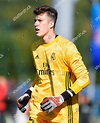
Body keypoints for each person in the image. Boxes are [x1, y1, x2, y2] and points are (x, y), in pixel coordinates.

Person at [16, 5, 90, 123]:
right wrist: (28, 93)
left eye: (40, 21)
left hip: (62, 115)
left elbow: (84, 78)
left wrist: (60, 98)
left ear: (51, 24)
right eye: (35, 21)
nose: (36, 24)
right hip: (38, 113)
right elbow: (41, 77)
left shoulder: (67, 47)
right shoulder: (35, 47)